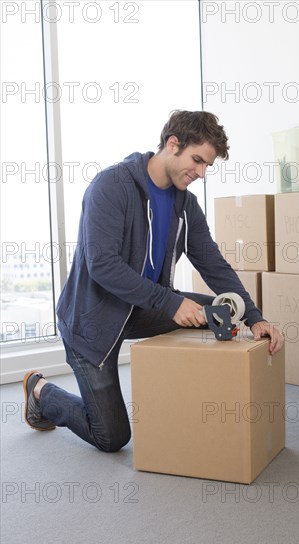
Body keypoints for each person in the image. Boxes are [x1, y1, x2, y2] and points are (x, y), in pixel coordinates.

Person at [23, 110, 284, 452]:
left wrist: (254, 316)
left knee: (221, 311)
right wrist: (170, 303)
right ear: (172, 144)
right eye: (197, 160)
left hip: (140, 308)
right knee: (112, 437)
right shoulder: (110, 186)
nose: (201, 173)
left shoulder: (185, 205)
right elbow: (101, 264)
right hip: (92, 321)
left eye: (207, 165)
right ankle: (41, 391)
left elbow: (213, 264)